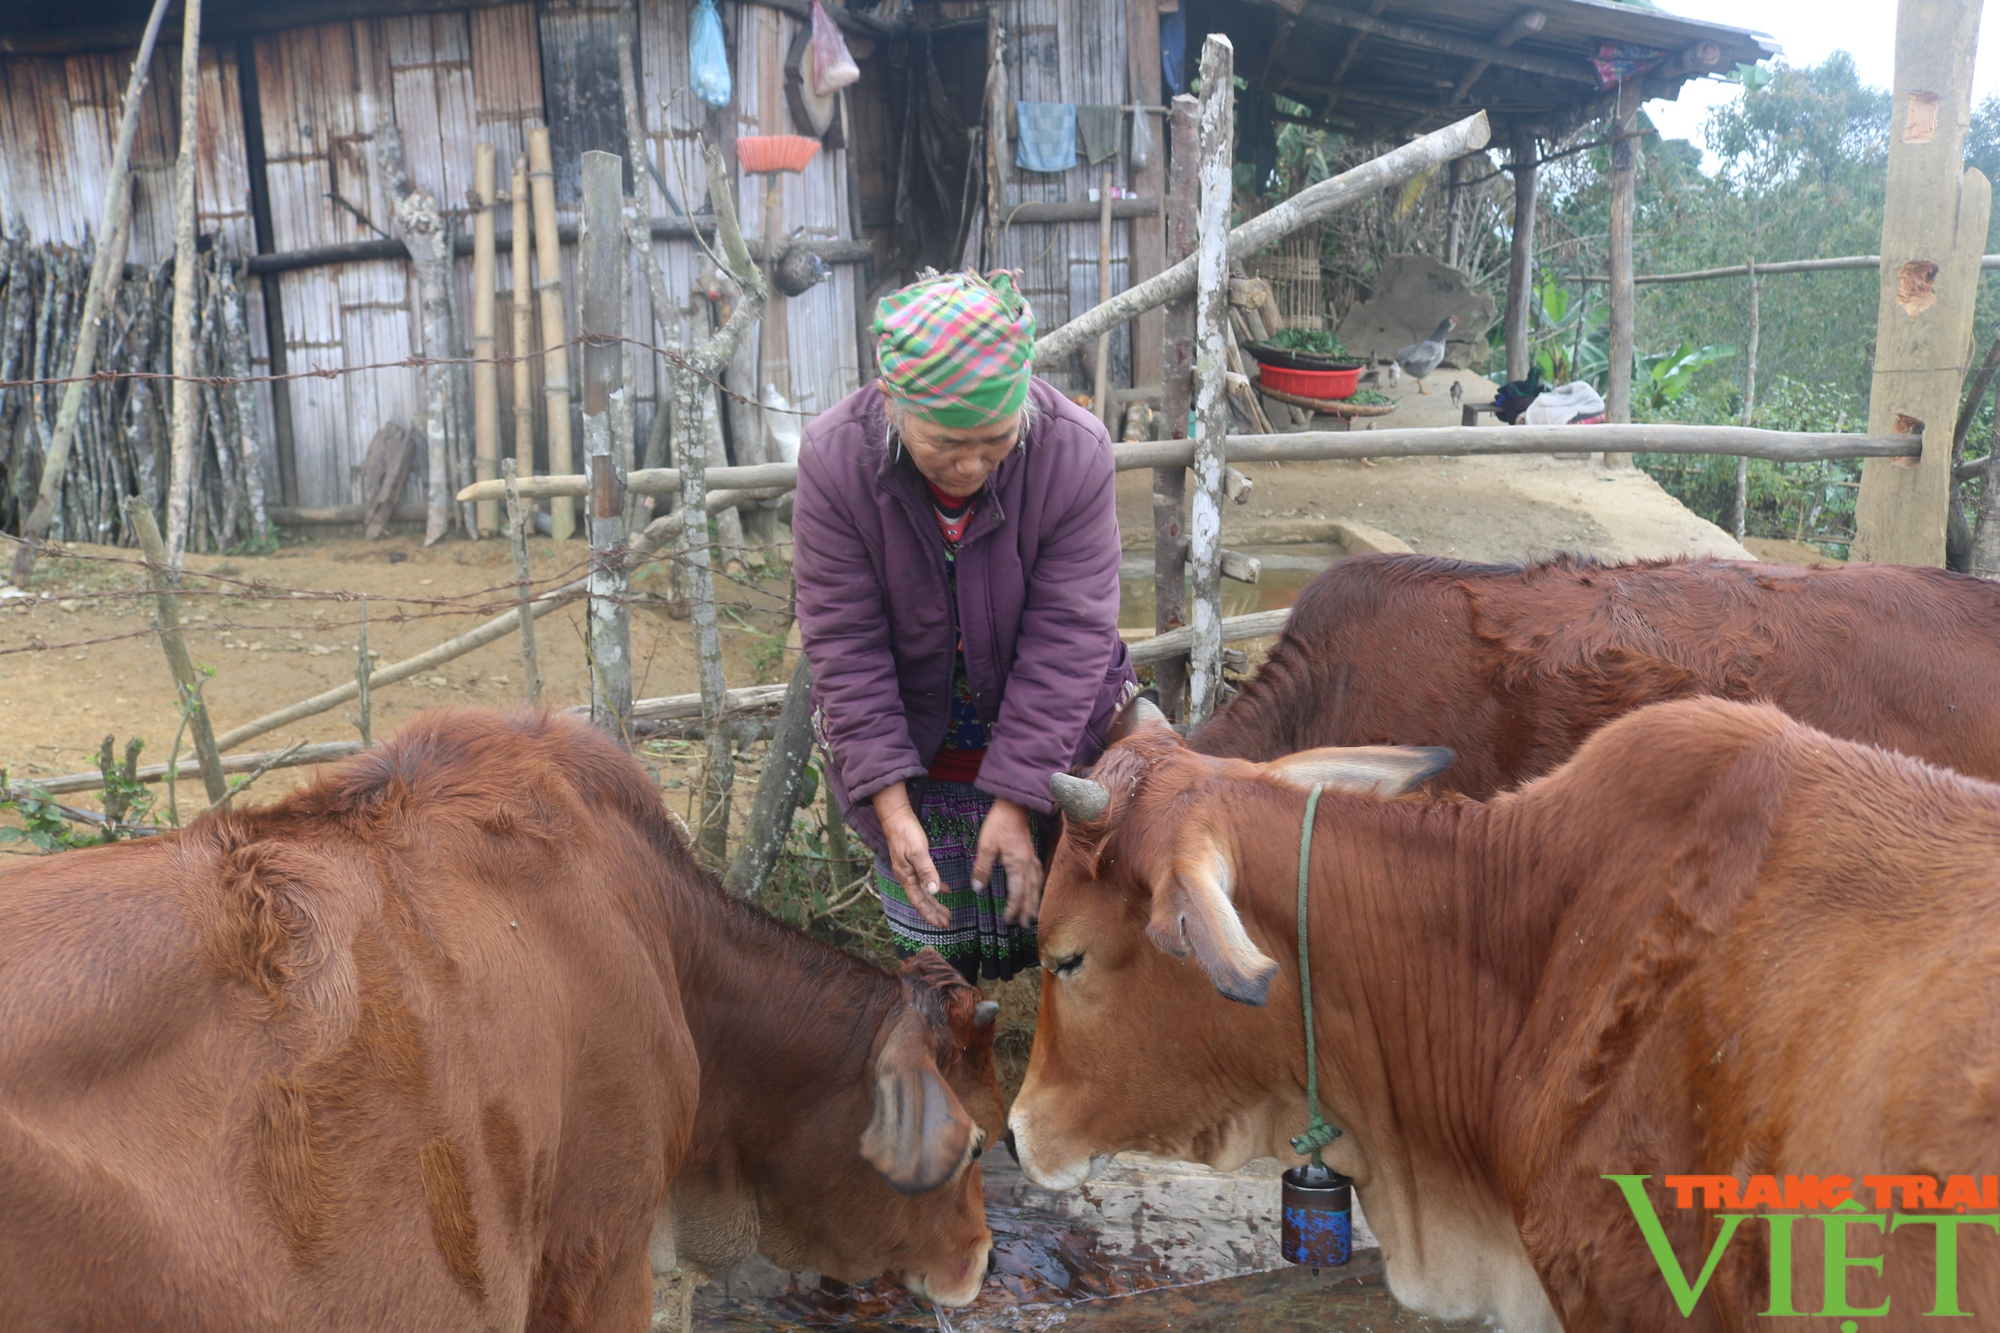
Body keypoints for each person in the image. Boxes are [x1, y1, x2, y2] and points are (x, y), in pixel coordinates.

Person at [791, 269, 1135, 983]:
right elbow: (845, 644)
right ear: (891, 403)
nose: (972, 462)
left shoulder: (1075, 453)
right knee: (935, 964)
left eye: (996, 437)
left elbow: (1069, 639)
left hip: (1053, 729)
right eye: (946, 441)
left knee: (1066, 934)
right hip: (913, 737)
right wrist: (888, 799)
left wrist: (1017, 798)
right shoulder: (835, 463)